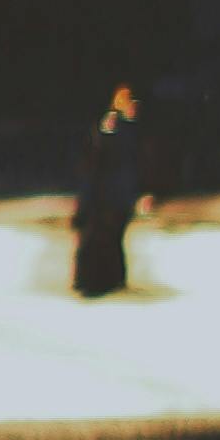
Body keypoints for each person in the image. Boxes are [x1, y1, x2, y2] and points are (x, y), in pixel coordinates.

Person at [73, 81, 145, 297]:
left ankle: (106, 279)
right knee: (102, 238)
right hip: (105, 195)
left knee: (109, 238)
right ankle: (99, 279)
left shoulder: (124, 134)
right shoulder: (113, 132)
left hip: (112, 196)